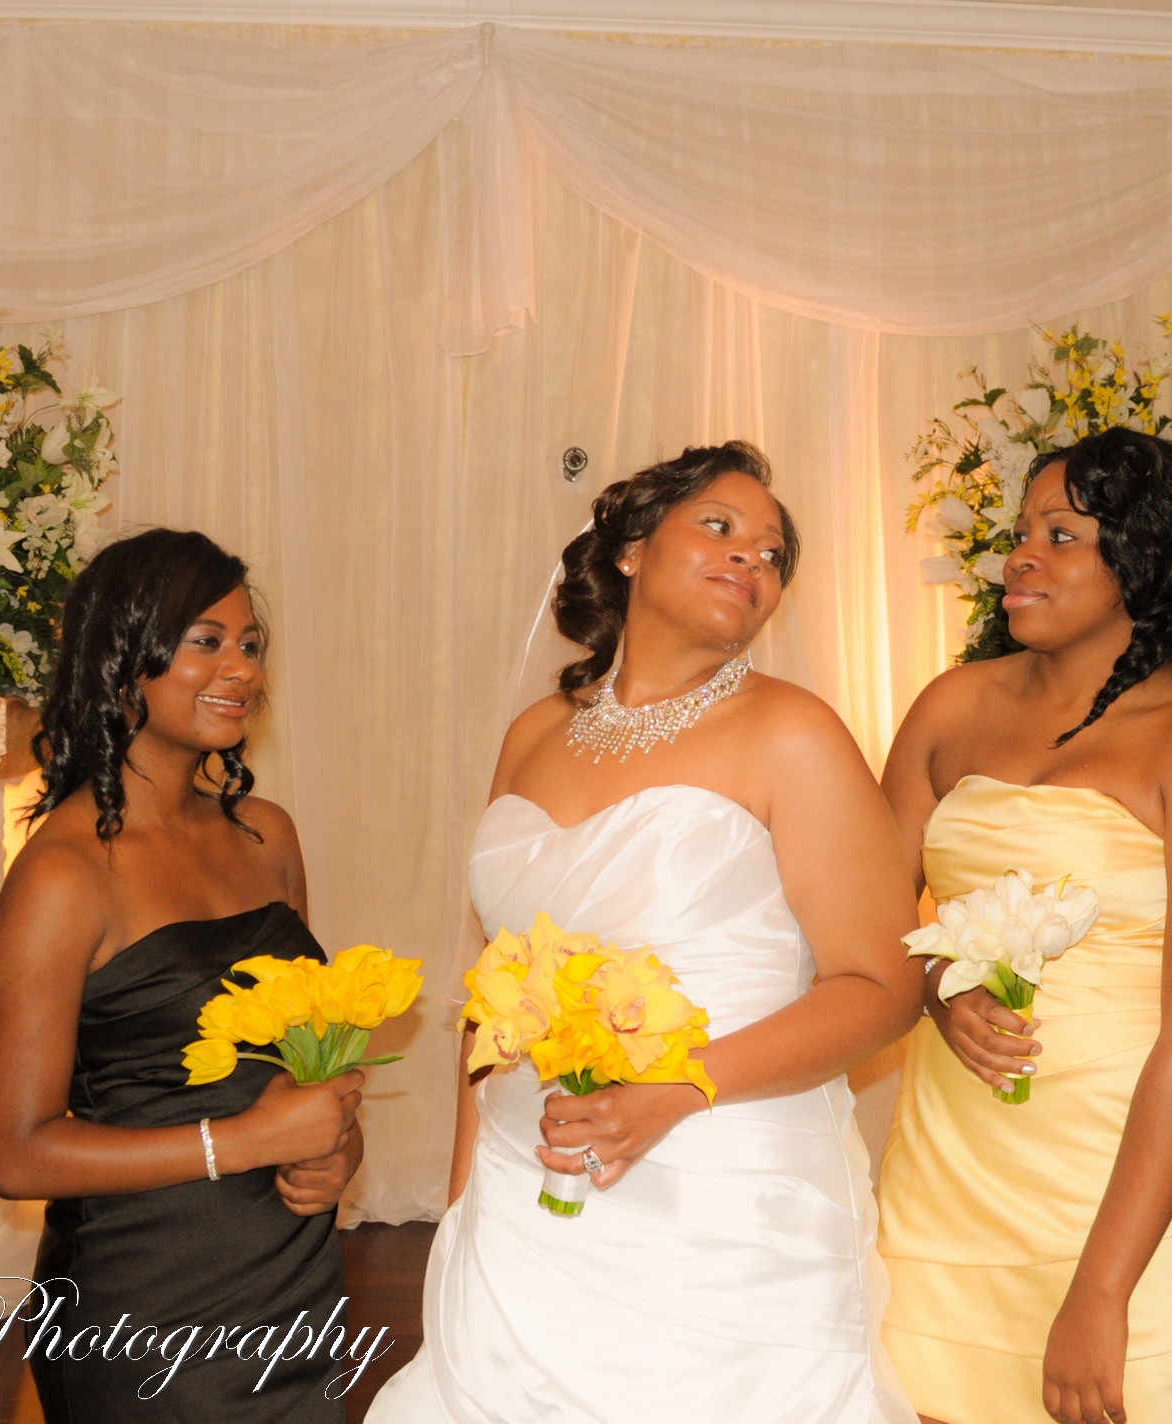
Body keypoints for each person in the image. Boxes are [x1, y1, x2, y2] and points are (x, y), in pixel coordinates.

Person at [367, 441, 923, 1424]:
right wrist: (464, 1205)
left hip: (720, 1195)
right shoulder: (535, 733)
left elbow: (882, 985)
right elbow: (496, 991)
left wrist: (678, 1088)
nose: (752, 557)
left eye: (772, 553)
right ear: (630, 547)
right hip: (521, 1190)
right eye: (720, 526)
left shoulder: (793, 732)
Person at [876, 427, 1172, 1424]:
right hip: (950, 1166)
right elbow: (867, 924)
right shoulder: (947, 706)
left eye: (1060, 535)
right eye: (1022, 532)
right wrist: (938, 991)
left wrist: (1101, 1291)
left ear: (1140, 560)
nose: (1020, 556)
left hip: (1118, 1180)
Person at [0, 528, 364, 1422]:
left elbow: (308, 1060)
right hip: (147, 1306)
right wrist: (243, 1143)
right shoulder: (64, 873)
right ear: (124, 662)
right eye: (206, 641)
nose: (242, 670)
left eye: (250, 645)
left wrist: (339, 1149)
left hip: (291, 1281)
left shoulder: (267, 835)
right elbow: (14, 1152)